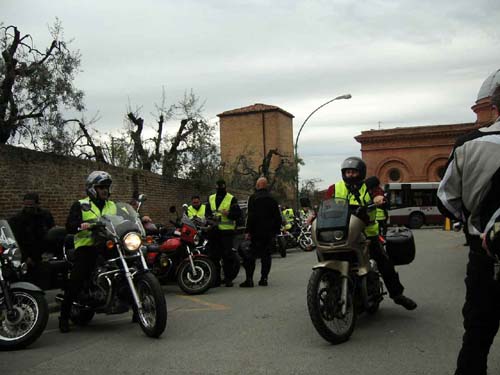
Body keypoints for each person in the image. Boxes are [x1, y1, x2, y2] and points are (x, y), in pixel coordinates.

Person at [437, 84, 500, 375]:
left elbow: (445, 199)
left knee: (476, 335)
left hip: (484, 255)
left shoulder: (467, 145)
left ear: (494, 108)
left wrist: (472, 220)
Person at [325, 156, 417, 310]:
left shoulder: (370, 187)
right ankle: (331, 292)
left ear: (360, 173)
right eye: (347, 172)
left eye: (353, 172)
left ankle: (397, 295)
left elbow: (378, 194)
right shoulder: (334, 188)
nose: (350, 175)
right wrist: (313, 217)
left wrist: (380, 198)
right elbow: (326, 206)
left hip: (367, 233)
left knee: (383, 261)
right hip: (342, 232)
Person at [58, 171, 117, 333]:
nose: (105, 190)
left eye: (107, 187)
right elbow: (69, 226)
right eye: (101, 187)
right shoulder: (81, 204)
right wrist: (81, 225)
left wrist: (138, 218)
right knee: (77, 279)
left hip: (108, 245)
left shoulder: (112, 205)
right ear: (92, 188)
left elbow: (122, 219)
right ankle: (63, 317)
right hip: (86, 246)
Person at [240, 177, 282, 287]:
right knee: (266, 256)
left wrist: (248, 231)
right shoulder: (272, 199)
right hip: (268, 233)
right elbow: (278, 217)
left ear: (258, 185)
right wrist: (275, 231)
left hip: (256, 232)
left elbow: (251, 216)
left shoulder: (253, 198)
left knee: (250, 255)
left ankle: (249, 279)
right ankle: (264, 278)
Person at [8, 192, 55, 286]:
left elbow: (51, 232)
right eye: (26, 205)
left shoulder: (45, 216)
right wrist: (25, 257)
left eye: (31, 206)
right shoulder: (17, 219)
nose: (28, 208)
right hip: (25, 254)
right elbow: (14, 240)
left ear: (37, 204)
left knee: (42, 281)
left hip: (41, 254)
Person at [205, 179, 242, 287]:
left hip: (227, 231)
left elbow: (237, 214)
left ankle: (228, 278)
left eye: (221, 186)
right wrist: (210, 218)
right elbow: (207, 212)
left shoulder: (231, 198)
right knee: (214, 256)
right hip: (214, 231)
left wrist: (228, 213)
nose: (219, 188)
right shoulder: (211, 198)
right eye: (218, 186)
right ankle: (216, 279)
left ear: (225, 186)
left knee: (227, 256)